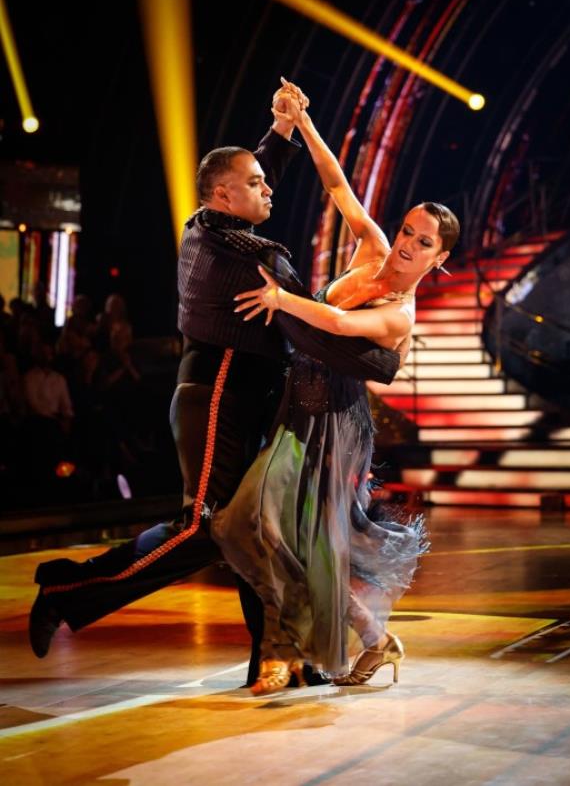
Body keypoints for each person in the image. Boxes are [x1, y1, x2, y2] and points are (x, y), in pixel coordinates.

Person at [29, 90, 401, 688]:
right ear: (224, 196)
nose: (269, 188)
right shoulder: (247, 259)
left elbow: (246, 175)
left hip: (250, 393)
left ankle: (277, 659)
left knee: (260, 526)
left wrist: (280, 133)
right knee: (206, 528)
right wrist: (383, 359)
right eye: (257, 184)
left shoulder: (212, 223)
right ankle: (70, 588)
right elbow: (313, 330)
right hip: (218, 393)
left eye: (264, 179)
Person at [212, 80, 460, 694]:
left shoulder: (401, 311)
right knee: (279, 536)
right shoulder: (372, 249)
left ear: (438, 260)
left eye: (422, 243)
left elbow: (344, 324)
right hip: (297, 401)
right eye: (407, 230)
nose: (405, 243)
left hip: (334, 421)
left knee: (278, 532)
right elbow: (336, 183)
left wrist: (281, 298)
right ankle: (372, 641)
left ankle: (305, 646)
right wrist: (301, 119)